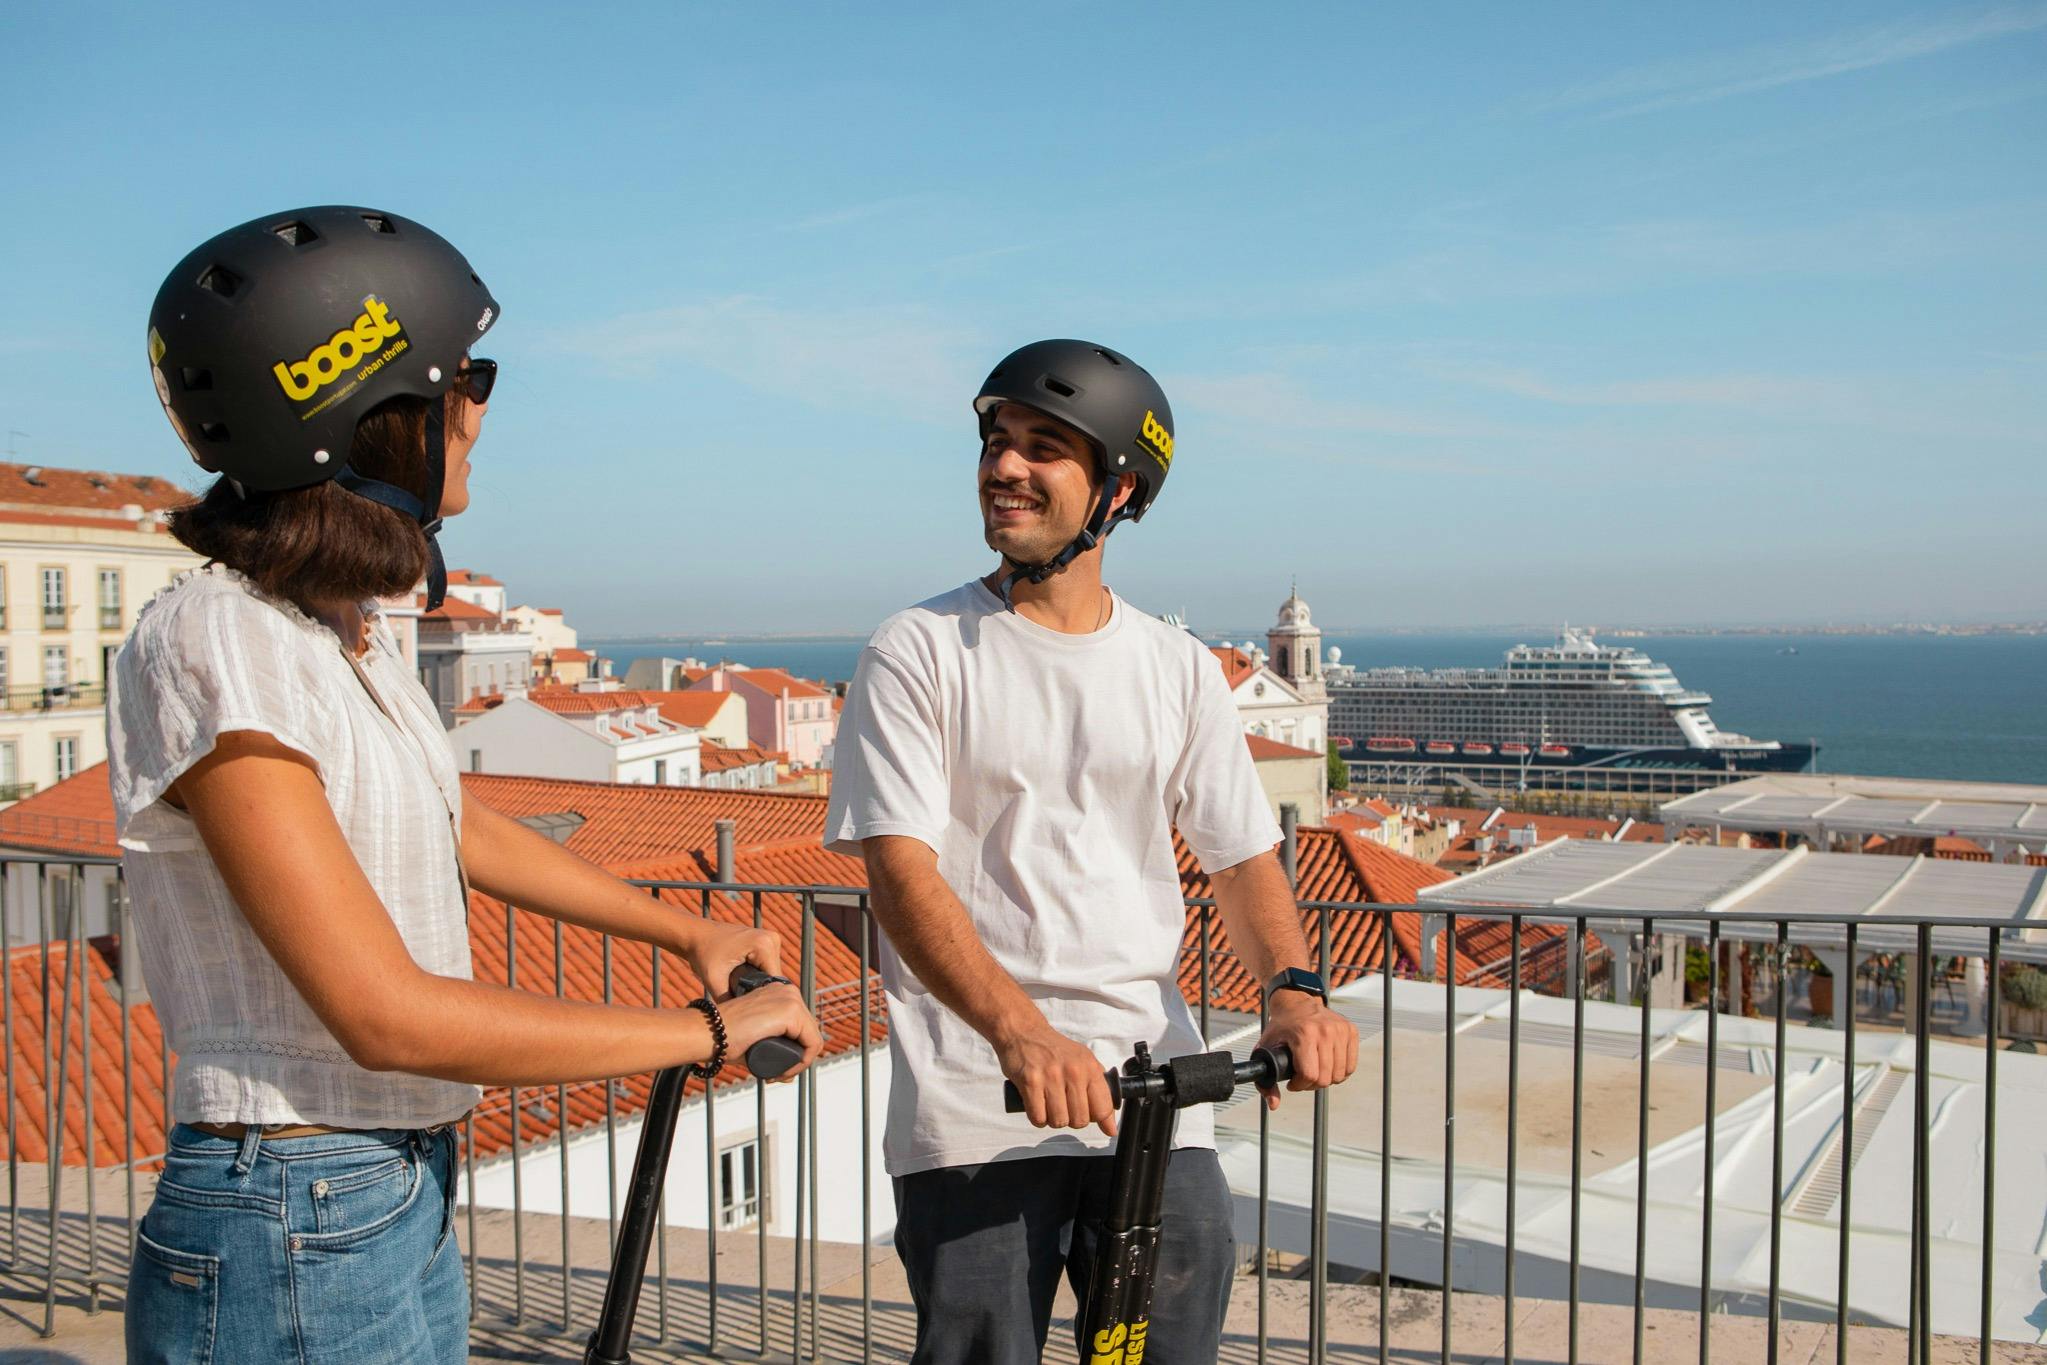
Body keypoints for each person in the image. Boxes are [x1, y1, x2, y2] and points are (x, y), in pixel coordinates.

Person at [114, 206, 822, 1364]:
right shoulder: (219, 642)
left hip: (382, 1190)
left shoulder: (339, 625)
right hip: (295, 1200)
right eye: (466, 376)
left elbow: (459, 823)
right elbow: (382, 1012)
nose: (482, 411)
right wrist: (703, 1032)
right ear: (370, 415)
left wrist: (678, 929)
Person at [824, 339, 1360, 1363]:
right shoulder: (919, 649)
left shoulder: (1176, 668)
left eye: (1044, 448)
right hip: (979, 1107)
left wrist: (1291, 991)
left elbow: (1243, 860)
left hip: (1158, 1101)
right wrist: (1020, 1036)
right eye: (997, 443)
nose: (1004, 467)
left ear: (1117, 492)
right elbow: (899, 871)